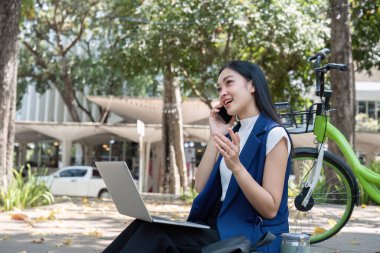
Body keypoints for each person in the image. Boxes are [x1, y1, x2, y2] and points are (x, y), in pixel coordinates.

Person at [102, 61, 291, 253]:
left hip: (249, 233)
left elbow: (270, 209)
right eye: (219, 88)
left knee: (157, 234)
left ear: (252, 85)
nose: (222, 92)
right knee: (142, 226)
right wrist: (215, 135)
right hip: (217, 223)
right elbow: (200, 186)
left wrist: (237, 167)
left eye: (229, 83)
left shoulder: (273, 134)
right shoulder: (234, 132)